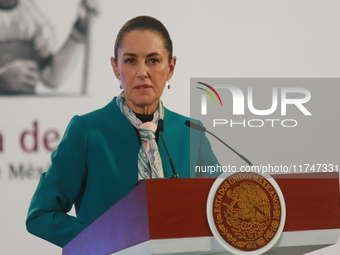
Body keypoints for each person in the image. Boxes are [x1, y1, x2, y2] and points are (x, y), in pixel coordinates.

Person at [26, 16, 219, 247]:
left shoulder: (192, 133)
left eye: (153, 60)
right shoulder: (87, 131)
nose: (142, 72)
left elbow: (223, 211)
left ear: (171, 67)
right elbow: (40, 215)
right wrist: (105, 238)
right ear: (116, 67)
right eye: (130, 61)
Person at [0, 0, 98, 94]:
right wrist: (2, 81)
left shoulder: (29, 14)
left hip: (25, 107)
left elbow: (50, 76)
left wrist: (80, 29)